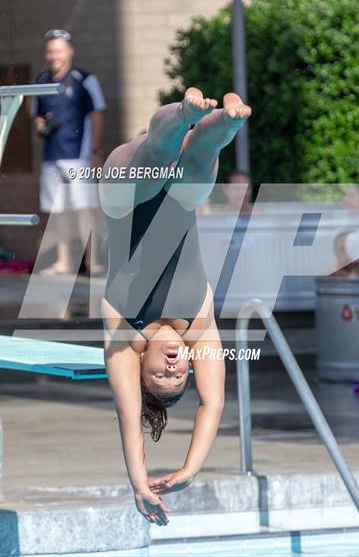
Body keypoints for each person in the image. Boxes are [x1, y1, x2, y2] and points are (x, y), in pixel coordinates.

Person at [99, 87, 251, 526]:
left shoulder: (126, 339)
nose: (173, 367)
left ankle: (185, 110)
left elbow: (130, 418)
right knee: (198, 164)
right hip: (182, 200)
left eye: (161, 375)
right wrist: (189, 470)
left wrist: (139, 484)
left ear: (142, 365)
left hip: (124, 199)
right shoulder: (200, 329)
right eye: (180, 373)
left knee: (156, 156)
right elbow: (213, 404)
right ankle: (230, 119)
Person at [31, 29, 106, 276]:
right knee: (58, 210)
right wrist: (40, 124)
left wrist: (95, 150)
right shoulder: (41, 81)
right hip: (51, 157)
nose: (54, 56)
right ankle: (64, 262)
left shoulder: (84, 79)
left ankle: (92, 261)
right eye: (51, 51)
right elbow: (35, 116)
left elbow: (96, 115)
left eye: (59, 51)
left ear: (69, 51)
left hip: (79, 155)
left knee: (84, 208)